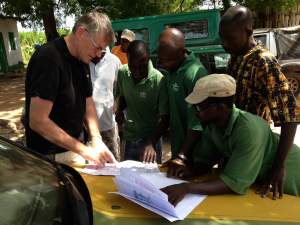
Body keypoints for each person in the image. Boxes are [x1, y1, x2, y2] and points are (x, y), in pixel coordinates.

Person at [161, 74, 300, 206]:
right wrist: (191, 171)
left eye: (198, 107)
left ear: (220, 108)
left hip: (289, 179)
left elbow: (232, 183)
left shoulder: (248, 130)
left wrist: (186, 188)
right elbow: (205, 161)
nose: (195, 112)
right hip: (260, 179)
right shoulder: (213, 126)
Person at [219, 5, 299, 199]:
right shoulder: (236, 58)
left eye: (230, 38)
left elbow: (289, 116)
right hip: (239, 146)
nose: (225, 44)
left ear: (248, 31)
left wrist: (278, 166)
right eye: (222, 38)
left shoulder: (264, 62)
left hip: (258, 151)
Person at [24, 11, 117, 167]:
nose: (98, 55)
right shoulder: (49, 58)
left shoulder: (83, 58)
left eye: (102, 50)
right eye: (97, 47)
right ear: (81, 33)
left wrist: (96, 139)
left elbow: (88, 103)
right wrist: (84, 150)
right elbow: (37, 121)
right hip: (50, 157)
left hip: (74, 150)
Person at [157, 28, 207, 171]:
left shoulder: (195, 74)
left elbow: (197, 124)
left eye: (166, 61)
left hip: (195, 155)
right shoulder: (171, 72)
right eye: (160, 60)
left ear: (181, 53)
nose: (162, 65)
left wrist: (182, 156)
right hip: (178, 152)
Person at [115, 40, 168, 163]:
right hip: (129, 139)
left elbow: (165, 119)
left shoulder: (159, 81)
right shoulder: (122, 73)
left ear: (149, 59)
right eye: (133, 67)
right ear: (127, 59)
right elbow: (123, 96)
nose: (137, 72)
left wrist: (151, 143)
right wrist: (119, 111)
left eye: (142, 67)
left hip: (151, 142)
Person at [89, 48, 121, 161]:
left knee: (113, 164)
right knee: (91, 165)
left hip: (108, 125)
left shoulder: (115, 61)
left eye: (101, 53)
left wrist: (117, 103)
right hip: (86, 128)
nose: (97, 55)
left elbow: (120, 88)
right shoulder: (82, 61)